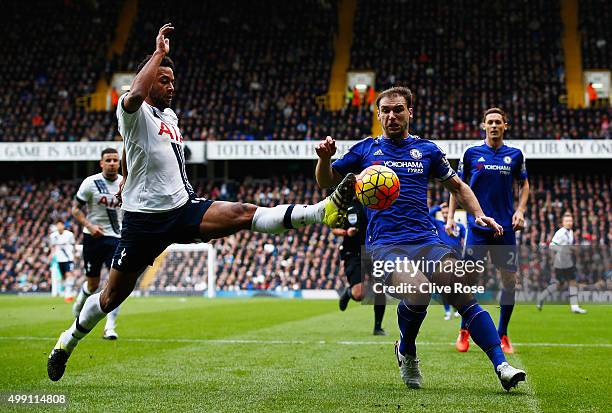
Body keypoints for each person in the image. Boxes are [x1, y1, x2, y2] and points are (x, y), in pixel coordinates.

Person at [47, 23, 356, 381]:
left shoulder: (169, 117)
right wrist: (159, 54)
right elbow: (133, 100)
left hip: (182, 208)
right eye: (164, 80)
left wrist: (127, 179)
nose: (171, 86)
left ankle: (323, 210)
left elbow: (134, 155)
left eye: (172, 80)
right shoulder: (132, 110)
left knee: (243, 213)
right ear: (148, 82)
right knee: (110, 297)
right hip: (143, 223)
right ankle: (66, 342)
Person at [316, 86, 526, 391]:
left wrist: (478, 213)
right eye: (385, 110)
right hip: (385, 245)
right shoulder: (365, 150)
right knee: (417, 291)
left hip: (427, 241)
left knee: (461, 287)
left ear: (409, 112)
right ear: (378, 114)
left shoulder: (426, 150)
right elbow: (325, 181)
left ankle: (502, 365)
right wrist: (324, 159)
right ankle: (407, 350)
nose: (391, 116)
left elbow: (458, 186)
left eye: (398, 109)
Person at [447, 107, 529, 354]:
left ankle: (503, 334)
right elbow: (457, 186)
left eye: (498, 122)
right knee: (468, 280)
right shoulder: (472, 153)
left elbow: (525, 185)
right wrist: (451, 217)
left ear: (506, 125)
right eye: (489, 122)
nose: (494, 126)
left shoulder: (514, 155)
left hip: (505, 228)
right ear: (483, 126)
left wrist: (521, 210)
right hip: (478, 227)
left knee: (510, 281)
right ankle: (464, 330)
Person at [71, 147, 123, 340]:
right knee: (92, 285)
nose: (111, 163)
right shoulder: (90, 183)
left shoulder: (125, 183)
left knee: (116, 285)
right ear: (101, 163)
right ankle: (79, 303)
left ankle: (110, 327)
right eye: (108, 160)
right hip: (93, 238)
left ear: (119, 163)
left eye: (115, 160)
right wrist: (89, 226)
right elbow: (75, 209)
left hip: (117, 239)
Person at [334, 199, 386, 335]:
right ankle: (349, 293)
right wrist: (346, 233)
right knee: (359, 295)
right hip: (353, 253)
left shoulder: (377, 203)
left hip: (373, 252)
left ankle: (378, 327)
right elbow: (333, 229)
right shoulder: (345, 205)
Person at [537, 212, 587, 314]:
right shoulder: (560, 233)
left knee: (562, 284)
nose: (569, 222)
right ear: (563, 223)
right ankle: (574, 306)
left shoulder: (571, 232)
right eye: (567, 221)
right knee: (571, 282)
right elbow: (551, 245)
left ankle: (542, 297)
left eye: (570, 221)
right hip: (560, 262)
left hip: (567, 261)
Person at [428, 203, 465, 320]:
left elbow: (464, 242)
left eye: (447, 213)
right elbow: (427, 215)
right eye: (443, 213)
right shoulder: (439, 224)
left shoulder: (460, 227)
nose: (444, 215)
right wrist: (438, 207)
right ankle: (448, 311)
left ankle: (456, 309)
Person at [49, 221, 76, 302]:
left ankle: (68, 294)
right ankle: (65, 292)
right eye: (58, 225)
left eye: (61, 225)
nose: (59, 227)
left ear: (63, 226)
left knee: (69, 274)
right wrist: (51, 254)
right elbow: (52, 246)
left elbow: (73, 244)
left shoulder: (69, 234)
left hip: (68, 258)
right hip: (59, 259)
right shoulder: (53, 236)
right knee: (63, 277)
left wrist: (74, 254)